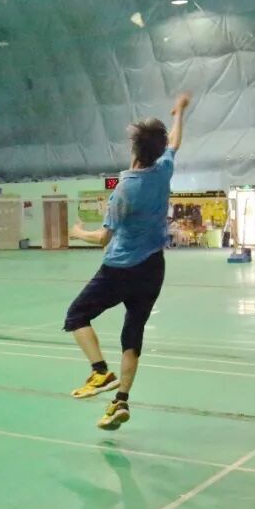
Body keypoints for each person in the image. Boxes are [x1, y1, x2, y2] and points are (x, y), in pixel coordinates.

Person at [65, 92, 191, 431]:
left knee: (76, 316)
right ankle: (120, 400)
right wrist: (179, 112)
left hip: (120, 269)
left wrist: (78, 232)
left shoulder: (125, 189)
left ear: (134, 148)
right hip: (153, 268)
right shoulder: (163, 170)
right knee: (132, 333)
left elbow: (103, 238)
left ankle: (99, 372)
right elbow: (175, 143)